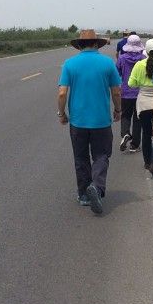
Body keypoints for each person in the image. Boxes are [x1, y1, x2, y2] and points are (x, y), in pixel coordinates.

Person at [56, 28, 123, 215]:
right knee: (101, 156)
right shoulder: (107, 63)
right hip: (101, 121)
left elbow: (62, 93)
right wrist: (118, 110)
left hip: (78, 122)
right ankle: (97, 186)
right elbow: (116, 91)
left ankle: (84, 194)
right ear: (96, 44)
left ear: (79, 46)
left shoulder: (69, 64)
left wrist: (61, 114)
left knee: (81, 158)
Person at [128, 36, 153, 178]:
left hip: (142, 103)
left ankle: (147, 162)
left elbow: (131, 83)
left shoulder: (139, 65)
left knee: (146, 133)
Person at [114, 33, 145, 151]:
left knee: (125, 115)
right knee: (138, 118)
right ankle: (135, 145)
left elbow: (118, 73)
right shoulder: (143, 59)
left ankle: (125, 133)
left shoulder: (122, 58)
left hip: (125, 92)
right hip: (139, 93)